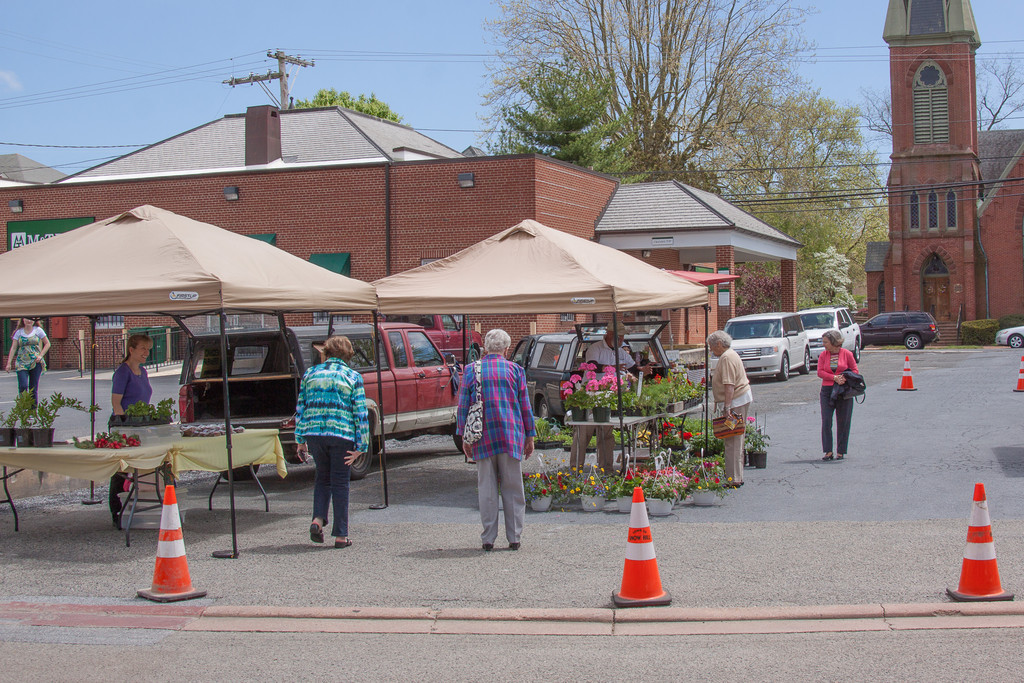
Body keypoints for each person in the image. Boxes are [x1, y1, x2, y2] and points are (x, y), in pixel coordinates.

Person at [457, 329, 535, 552]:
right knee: (513, 488)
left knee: (487, 488)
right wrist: (530, 436)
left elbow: (463, 405)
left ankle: (488, 538)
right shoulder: (516, 370)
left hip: (482, 435)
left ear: (485, 348)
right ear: (506, 349)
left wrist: (464, 436)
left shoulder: (471, 370)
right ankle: (515, 537)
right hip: (510, 434)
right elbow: (525, 406)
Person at [295, 335, 370, 549]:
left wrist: (300, 440)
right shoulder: (352, 376)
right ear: (347, 355)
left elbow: (301, 408)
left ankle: (317, 519)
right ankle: (341, 534)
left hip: (314, 433)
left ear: (326, 352)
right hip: (342, 434)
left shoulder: (310, 374)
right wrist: (361, 447)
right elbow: (360, 413)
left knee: (322, 478)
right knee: (340, 482)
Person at [107, 333, 154, 526]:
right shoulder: (122, 372)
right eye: (143, 348)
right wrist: (124, 427)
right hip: (124, 425)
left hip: (141, 425)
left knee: (138, 468)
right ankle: (116, 511)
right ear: (131, 349)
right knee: (120, 469)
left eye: (148, 349)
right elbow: (116, 403)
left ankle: (136, 507)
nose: (146, 353)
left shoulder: (143, 372)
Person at [708, 330, 752, 488]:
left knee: (732, 439)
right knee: (737, 438)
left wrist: (727, 407)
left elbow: (729, 385)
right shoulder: (731, 354)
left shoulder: (726, 357)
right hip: (741, 399)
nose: (711, 350)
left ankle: (733, 478)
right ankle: (737, 475)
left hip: (735, 402)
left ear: (719, 344)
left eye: (712, 347)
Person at [817, 329, 858, 461]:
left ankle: (841, 451)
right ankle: (828, 451)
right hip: (827, 391)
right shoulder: (823, 355)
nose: (824, 344)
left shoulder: (847, 354)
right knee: (826, 420)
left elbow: (855, 370)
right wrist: (834, 377)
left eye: (826, 342)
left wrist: (844, 378)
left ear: (834, 342)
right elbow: (820, 372)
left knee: (843, 421)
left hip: (843, 391)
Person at [5, 318, 50, 404]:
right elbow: (14, 347)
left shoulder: (38, 330)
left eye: (31, 319)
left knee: (33, 388)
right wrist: (9, 363)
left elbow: (47, 343)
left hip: (35, 362)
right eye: (27, 319)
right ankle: (23, 407)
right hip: (22, 362)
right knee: (23, 386)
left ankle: (33, 411)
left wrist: (40, 356)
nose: (29, 321)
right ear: (23, 320)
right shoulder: (19, 332)